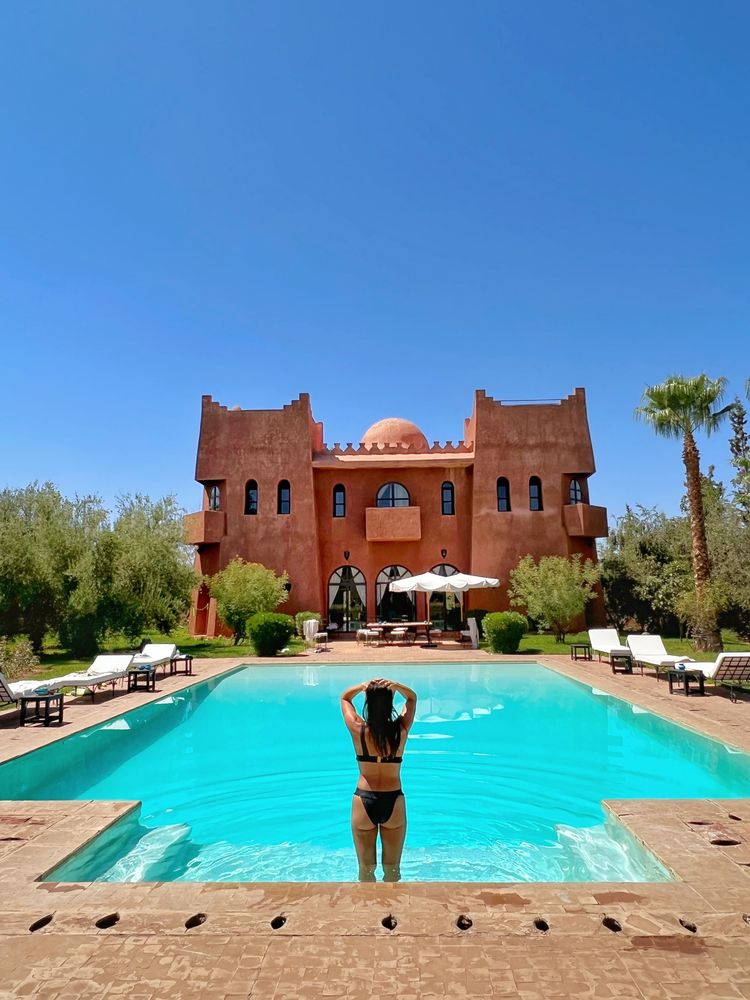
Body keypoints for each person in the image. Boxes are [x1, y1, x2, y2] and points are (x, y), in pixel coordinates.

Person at [340, 677, 417, 881]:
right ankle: (392, 910)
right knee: (393, 870)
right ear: (390, 704)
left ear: (368, 703)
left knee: (365, 870)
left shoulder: (358, 730)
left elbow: (344, 698)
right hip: (394, 800)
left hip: (364, 800)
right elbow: (412, 699)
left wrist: (361, 686)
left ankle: (366, 910)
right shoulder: (400, 731)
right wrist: (398, 686)